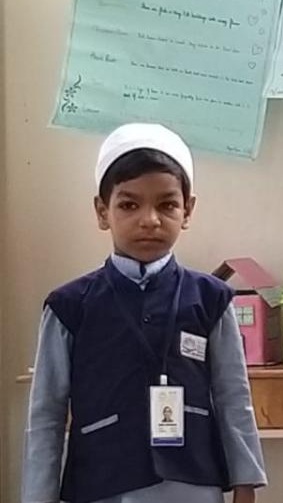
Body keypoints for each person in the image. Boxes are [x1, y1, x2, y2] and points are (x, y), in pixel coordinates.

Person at [21, 123, 266, 503]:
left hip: (193, 482)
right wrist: (38, 496)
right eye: (129, 205)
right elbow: (46, 413)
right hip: (102, 481)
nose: (149, 219)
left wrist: (246, 482)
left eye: (166, 205)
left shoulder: (211, 299)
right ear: (102, 211)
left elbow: (233, 396)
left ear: (187, 210)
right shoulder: (69, 306)